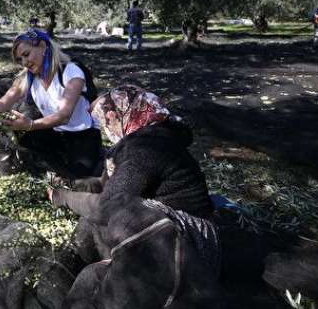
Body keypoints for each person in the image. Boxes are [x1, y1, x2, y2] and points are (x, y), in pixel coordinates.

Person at [47, 85, 218, 271]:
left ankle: (114, 273)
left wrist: (63, 198)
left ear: (123, 115)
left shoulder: (146, 146)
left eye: (108, 122)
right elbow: (105, 185)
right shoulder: (146, 138)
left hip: (191, 243)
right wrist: (69, 185)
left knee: (99, 219)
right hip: (175, 230)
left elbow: (106, 205)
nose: (106, 129)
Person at [0, 28, 102, 180]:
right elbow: (5, 101)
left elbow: (64, 116)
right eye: (20, 60)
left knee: (78, 178)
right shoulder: (28, 78)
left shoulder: (71, 71)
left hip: (82, 134)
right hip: (55, 133)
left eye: (26, 54)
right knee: (23, 140)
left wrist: (30, 124)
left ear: (43, 47)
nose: (24, 62)